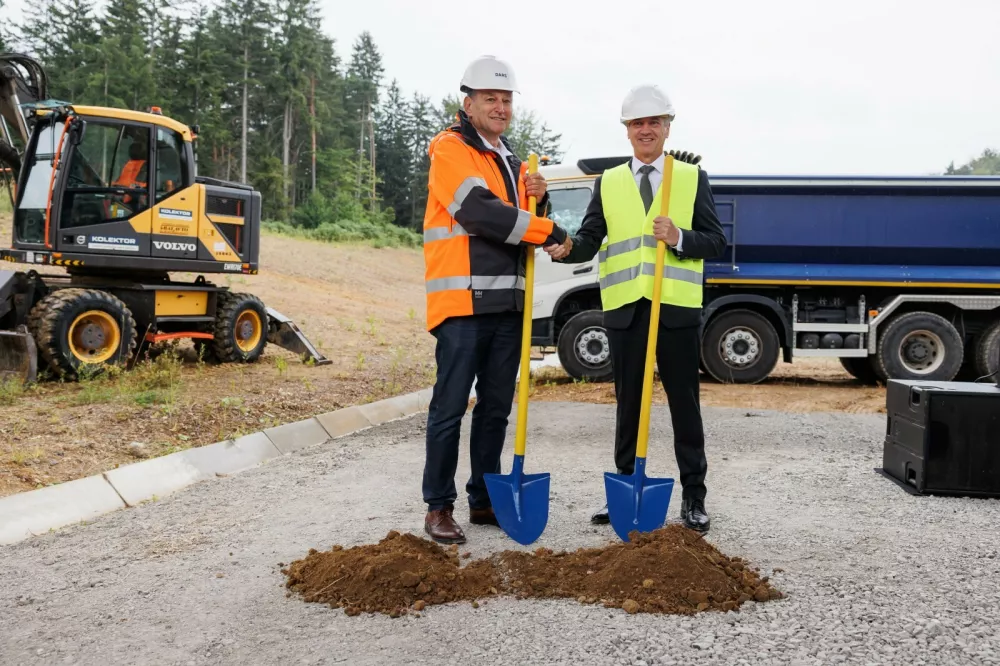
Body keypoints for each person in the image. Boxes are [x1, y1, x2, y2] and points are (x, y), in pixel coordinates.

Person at [545, 84, 726, 533]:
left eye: (653, 122)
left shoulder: (691, 178)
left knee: (685, 404)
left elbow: (716, 241)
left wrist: (680, 238)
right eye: (637, 124)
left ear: (667, 127)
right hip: (627, 309)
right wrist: (566, 246)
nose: (645, 130)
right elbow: (589, 239)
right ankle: (624, 488)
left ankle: (694, 498)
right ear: (627, 131)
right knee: (628, 403)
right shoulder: (608, 182)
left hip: (675, 309)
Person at [421, 55, 573, 544]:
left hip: (508, 306)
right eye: (491, 99)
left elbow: (519, 220)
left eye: (507, 100)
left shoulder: (509, 158)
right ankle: (438, 507)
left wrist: (540, 198)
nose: (501, 107)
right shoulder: (451, 149)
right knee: (449, 408)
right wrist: (548, 227)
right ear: (468, 103)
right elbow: (480, 213)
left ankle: (483, 498)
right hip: (462, 304)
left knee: (495, 409)